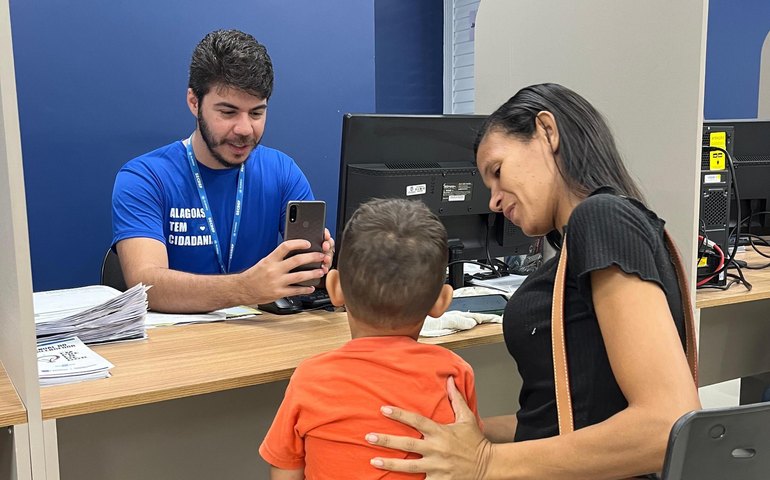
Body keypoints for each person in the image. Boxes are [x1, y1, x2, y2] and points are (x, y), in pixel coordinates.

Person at [364, 83, 702, 479]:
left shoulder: (602, 218)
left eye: (497, 171)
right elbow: (568, 415)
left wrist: (485, 462)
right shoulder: (591, 236)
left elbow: (667, 426)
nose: (492, 200)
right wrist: (466, 436)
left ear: (547, 131)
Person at [111, 29, 333, 313]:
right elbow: (146, 286)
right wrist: (244, 288)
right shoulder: (144, 177)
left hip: (260, 338)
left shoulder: (282, 171)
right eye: (228, 112)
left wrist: (319, 260)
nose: (244, 129)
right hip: (175, 346)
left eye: (256, 113)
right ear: (194, 102)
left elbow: (307, 267)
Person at [259, 198, 481, 479]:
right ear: (442, 301)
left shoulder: (311, 378)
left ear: (335, 289)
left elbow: (285, 471)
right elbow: (469, 454)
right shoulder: (455, 374)